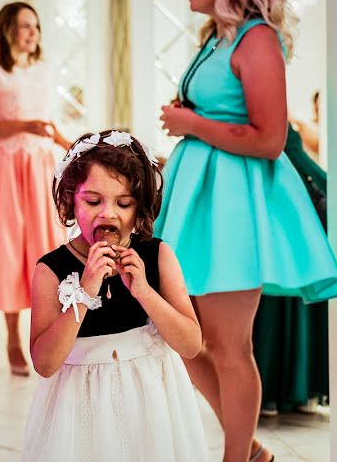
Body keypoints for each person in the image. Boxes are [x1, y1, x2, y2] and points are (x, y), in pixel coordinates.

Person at [157, 0, 337, 462]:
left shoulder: (258, 39)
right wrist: (190, 116)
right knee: (182, 336)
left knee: (228, 346)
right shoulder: (216, 38)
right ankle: (252, 451)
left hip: (233, 206)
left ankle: (237, 457)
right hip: (198, 198)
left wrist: (191, 121)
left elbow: (268, 139)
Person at [24, 130, 205, 461]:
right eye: (93, 201)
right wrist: (84, 291)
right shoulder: (50, 270)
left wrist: (145, 293)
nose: (108, 213)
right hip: (81, 409)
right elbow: (45, 363)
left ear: (140, 208)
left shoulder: (158, 256)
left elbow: (191, 344)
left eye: (123, 203)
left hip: (153, 404)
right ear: (69, 200)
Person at [0, 1, 72, 377]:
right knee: (10, 249)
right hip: (7, 169)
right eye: (25, 25)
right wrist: (23, 126)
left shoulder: (45, 71)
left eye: (35, 26)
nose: (32, 32)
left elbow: (47, 124)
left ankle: (49, 335)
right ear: (8, 30)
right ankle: (11, 337)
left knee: (47, 248)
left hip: (41, 168)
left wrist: (72, 147)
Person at [253, 122, 329, 416]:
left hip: (269, 224)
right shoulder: (278, 127)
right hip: (287, 227)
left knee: (275, 308)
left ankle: (275, 390)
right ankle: (281, 390)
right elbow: (302, 162)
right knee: (281, 307)